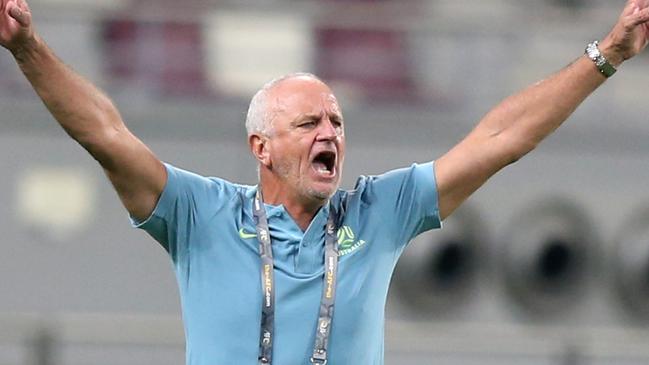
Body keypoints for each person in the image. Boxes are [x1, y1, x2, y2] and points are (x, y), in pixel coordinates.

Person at [1, 0, 648, 364]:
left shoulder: (378, 209)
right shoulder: (200, 213)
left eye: (336, 122)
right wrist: (28, 46)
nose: (330, 133)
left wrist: (604, 56)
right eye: (308, 121)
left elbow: (498, 140)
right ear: (261, 146)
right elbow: (105, 134)